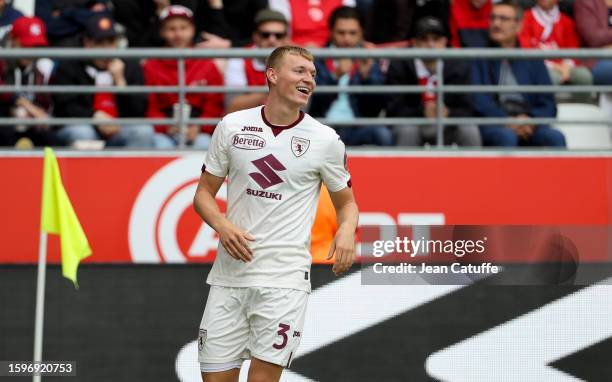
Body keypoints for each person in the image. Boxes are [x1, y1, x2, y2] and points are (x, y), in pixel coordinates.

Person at [193, 45, 358, 382]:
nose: (308, 80)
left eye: (312, 74)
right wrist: (222, 226)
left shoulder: (325, 140)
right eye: (299, 71)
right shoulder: (232, 126)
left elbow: (347, 203)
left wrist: (346, 230)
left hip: (284, 281)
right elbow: (203, 195)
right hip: (229, 277)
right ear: (272, 74)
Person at [471, 0, 566, 147]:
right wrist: (506, 121)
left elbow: (548, 104)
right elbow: (478, 101)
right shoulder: (478, 58)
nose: (496, 24)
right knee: (506, 137)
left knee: (555, 138)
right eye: (493, 18)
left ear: (519, 26)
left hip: (528, 121)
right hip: (495, 123)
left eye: (503, 19)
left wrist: (531, 120)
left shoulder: (533, 60)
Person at [52, 14, 155, 147]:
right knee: (82, 133)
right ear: (86, 43)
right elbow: (64, 107)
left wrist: (120, 81)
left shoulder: (130, 65)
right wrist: (93, 116)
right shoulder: (70, 65)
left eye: (111, 42)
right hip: (84, 126)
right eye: (99, 43)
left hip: (120, 129)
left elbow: (139, 111)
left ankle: (133, 169)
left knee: (143, 131)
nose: (106, 49)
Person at [386, 16, 481, 146]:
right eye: (424, 39)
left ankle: (473, 167)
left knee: (469, 130)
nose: (430, 45)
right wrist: (422, 112)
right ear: (414, 42)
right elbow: (393, 109)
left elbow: (468, 108)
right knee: (407, 131)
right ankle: (405, 167)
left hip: (448, 124)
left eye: (436, 39)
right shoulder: (399, 64)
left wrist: (448, 112)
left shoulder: (459, 65)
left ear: (445, 42)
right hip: (413, 123)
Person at [308, 6, 393, 146]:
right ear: (331, 32)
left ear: (361, 33)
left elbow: (376, 108)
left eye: (352, 33)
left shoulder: (369, 58)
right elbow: (313, 104)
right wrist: (335, 76)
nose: (346, 38)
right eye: (341, 33)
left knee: (382, 134)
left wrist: (367, 78)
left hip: (358, 126)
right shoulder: (317, 58)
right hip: (322, 125)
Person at [143, 5, 224, 148]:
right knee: (161, 145)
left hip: (198, 129)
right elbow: (150, 105)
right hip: (165, 129)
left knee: (204, 144)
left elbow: (215, 104)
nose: (178, 34)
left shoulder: (206, 62)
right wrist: (165, 127)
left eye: (183, 28)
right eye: (172, 29)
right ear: (162, 32)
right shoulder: (151, 64)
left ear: (192, 30)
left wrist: (199, 127)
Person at [519, 0, 592, 102]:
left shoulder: (566, 21)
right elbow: (525, 49)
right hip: (539, 67)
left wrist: (566, 66)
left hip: (565, 66)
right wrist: (554, 66)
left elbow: (573, 50)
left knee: (583, 75)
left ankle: (585, 111)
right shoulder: (525, 19)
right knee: (550, 77)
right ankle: (546, 112)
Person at [0, 16, 54, 147]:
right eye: (26, 45)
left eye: (36, 46)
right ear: (13, 41)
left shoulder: (42, 68)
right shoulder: (2, 62)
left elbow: (45, 106)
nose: (31, 51)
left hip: (30, 124)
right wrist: (24, 104)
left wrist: (36, 110)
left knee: (47, 136)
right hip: (5, 122)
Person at [224, 9, 289, 113]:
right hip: (245, 126)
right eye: (265, 35)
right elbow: (232, 106)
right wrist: (275, 89)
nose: (272, 40)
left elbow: (303, 107)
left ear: (286, 38)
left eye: (278, 35)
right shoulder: (240, 58)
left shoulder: (296, 59)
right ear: (255, 36)